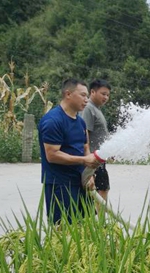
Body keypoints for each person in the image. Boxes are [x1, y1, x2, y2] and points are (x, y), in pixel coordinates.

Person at [38, 78, 102, 224]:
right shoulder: (53, 121)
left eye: (87, 96)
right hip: (60, 185)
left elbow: (85, 147)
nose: (87, 99)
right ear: (68, 94)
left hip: (80, 182)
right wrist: (84, 160)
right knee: (63, 230)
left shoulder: (80, 122)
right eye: (83, 95)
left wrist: (89, 174)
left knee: (86, 226)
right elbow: (52, 155)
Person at [81, 79, 112, 201]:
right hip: (93, 158)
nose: (106, 97)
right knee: (101, 190)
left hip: (99, 158)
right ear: (92, 92)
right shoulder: (88, 108)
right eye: (103, 94)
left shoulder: (97, 109)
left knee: (103, 189)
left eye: (108, 95)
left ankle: (99, 219)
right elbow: (85, 133)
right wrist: (88, 158)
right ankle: (99, 220)